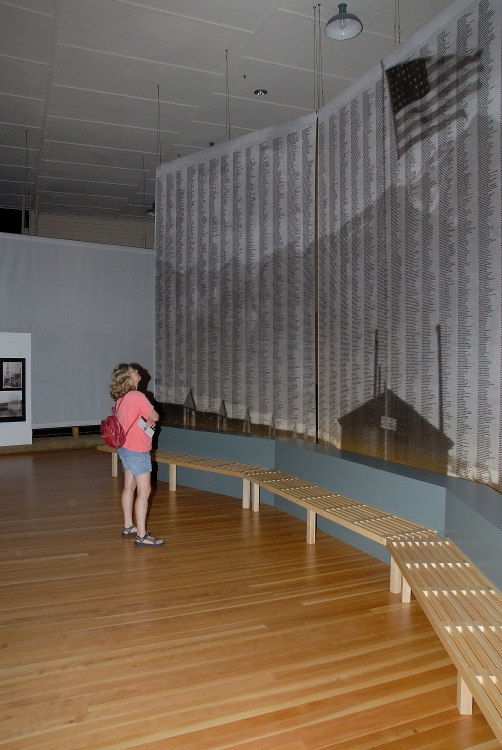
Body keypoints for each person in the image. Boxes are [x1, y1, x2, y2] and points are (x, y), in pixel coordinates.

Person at [109, 363, 164, 547]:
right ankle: (141, 535)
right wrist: (150, 417)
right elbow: (155, 416)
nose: (138, 372)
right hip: (138, 450)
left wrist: (147, 417)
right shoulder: (137, 396)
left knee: (128, 487)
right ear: (129, 378)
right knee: (144, 491)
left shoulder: (121, 398)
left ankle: (128, 526)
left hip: (124, 448)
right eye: (134, 371)